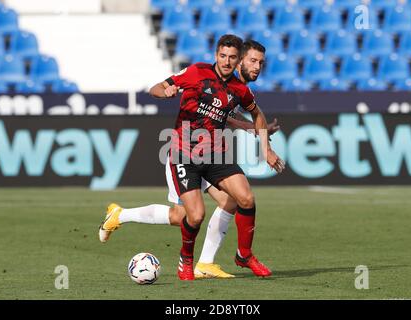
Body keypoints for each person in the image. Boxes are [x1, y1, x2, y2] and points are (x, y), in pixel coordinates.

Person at [101, 35, 284, 281]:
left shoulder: (240, 89)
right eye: (253, 61)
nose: (256, 67)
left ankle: (212, 261)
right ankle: (121, 216)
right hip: (184, 153)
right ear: (217, 55)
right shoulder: (198, 72)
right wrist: (165, 92)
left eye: (258, 62)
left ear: (237, 59)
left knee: (238, 199)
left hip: (215, 155)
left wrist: (261, 141)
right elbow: (157, 88)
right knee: (188, 216)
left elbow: (232, 114)